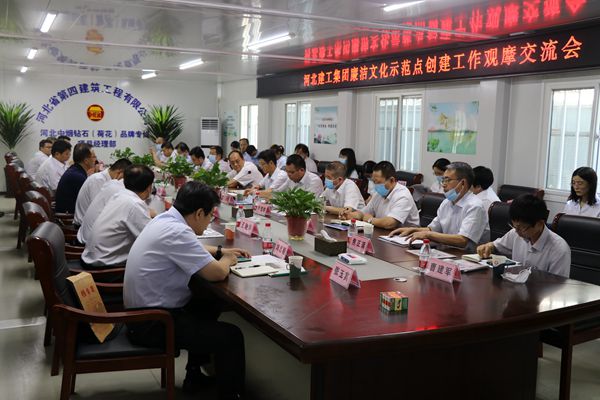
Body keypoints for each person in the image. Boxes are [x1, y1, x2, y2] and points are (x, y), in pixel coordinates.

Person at [124, 181, 247, 400]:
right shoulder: (177, 231)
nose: (210, 221)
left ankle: (194, 376)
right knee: (231, 336)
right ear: (199, 213)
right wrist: (227, 259)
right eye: (210, 215)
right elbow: (217, 273)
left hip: (142, 314)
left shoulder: (166, 219)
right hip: (153, 323)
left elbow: (191, 246)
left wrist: (220, 250)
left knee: (208, 302)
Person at [390, 162, 486, 251]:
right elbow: (433, 229)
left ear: (463, 183)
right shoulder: (446, 202)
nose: (443, 184)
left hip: (465, 256)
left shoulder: (475, 206)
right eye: (443, 180)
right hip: (445, 252)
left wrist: (428, 235)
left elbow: (462, 240)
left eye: (447, 180)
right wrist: (412, 230)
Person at [477, 194, 571, 277]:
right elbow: (496, 246)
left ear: (539, 223)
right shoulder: (516, 233)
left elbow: (558, 284)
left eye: (522, 228)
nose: (517, 232)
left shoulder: (559, 249)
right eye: (514, 226)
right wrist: (488, 246)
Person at [81, 165, 154, 268]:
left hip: (92, 256)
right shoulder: (134, 204)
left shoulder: (120, 194)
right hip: (104, 266)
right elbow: (151, 239)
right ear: (149, 187)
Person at [343, 161, 418, 229]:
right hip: (384, 232)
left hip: (407, 236)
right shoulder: (378, 194)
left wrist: (370, 220)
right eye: (374, 182)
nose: (376, 186)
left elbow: (390, 223)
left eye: (378, 182)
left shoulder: (403, 195)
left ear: (392, 180)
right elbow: (364, 213)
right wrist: (350, 215)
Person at [74, 158, 132, 226]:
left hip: (93, 224)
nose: (124, 181)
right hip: (82, 225)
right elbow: (98, 210)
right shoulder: (98, 180)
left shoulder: (106, 180)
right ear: (120, 172)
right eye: (125, 177)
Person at [54, 143, 96, 213]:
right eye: (94, 157)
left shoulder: (75, 170)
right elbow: (89, 202)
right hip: (68, 216)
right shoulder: (77, 177)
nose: (96, 160)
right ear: (86, 161)